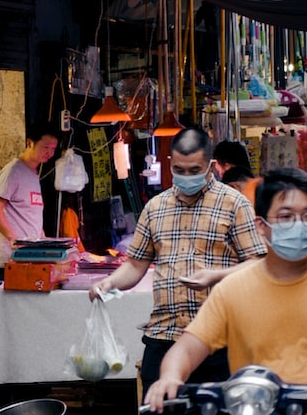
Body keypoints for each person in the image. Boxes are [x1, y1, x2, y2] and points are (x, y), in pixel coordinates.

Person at [144, 169, 307, 415]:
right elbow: (188, 347)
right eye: (285, 217)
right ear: (260, 226)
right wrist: (170, 377)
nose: (298, 225)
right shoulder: (234, 288)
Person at [89, 128, 268, 391]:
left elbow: (258, 264)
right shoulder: (155, 207)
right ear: (171, 164)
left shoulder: (235, 205)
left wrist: (215, 276)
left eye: (194, 170)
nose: (186, 177)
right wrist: (109, 283)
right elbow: (135, 264)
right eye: (180, 170)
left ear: (211, 166)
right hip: (163, 335)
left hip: (220, 342)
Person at [0, 129, 60, 281]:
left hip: (28, 259)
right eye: (45, 147)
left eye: (53, 149)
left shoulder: (33, 174)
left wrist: (43, 239)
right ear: (29, 143)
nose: (49, 153)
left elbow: (28, 214)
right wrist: (13, 239)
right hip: (8, 262)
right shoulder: (13, 171)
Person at [213, 140, 259, 204]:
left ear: (227, 167)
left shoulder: (233, 195)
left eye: (219, 171)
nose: (220, 175)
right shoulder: (262, 187)